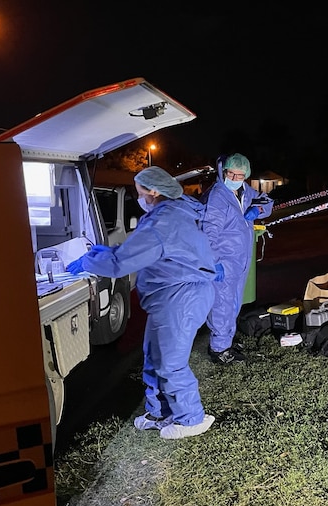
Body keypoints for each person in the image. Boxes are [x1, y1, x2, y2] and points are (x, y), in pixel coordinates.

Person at [65, 166, 222, 439]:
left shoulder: (162, 223)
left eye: (139, 193)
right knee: (154, 356)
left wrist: (87, 260)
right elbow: (129, 252)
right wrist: (99, 251)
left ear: (153, 191)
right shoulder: (172, 214)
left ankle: (191, 418)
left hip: (180, 296)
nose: (138, 199)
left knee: (170, 361)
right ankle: (159, 412)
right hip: (173, 296)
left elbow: (121, 262)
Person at [201, 153, 274, 364]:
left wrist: (257, 209)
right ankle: (219, 350)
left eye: (239, 174)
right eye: (231, 173)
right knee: (222, 305)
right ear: (224, 171)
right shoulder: (217, 197)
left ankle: (226, 341)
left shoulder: (243, 191)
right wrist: (213, 262)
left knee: (233, 303)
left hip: (239, 260)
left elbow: (267, 201)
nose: (234, 177)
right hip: (223, 261)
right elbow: (209, 232)